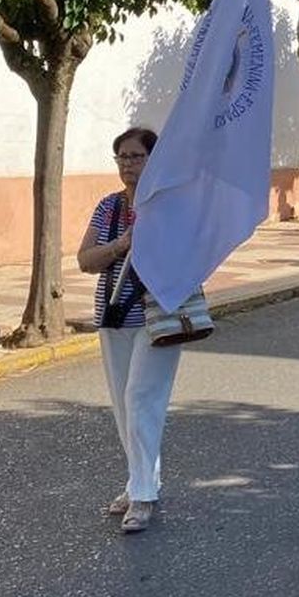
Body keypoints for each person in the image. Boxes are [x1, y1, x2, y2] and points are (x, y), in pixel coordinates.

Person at [75, 128, 179, 532]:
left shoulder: (168, 207)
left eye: (136, 157)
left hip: (158, 315)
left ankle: (143, 496)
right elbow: (86, 259)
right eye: (121, 157)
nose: (127, 165)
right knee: (124, 405)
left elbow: (186, 255)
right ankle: (140, 480)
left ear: (154, 161)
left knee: (140, 399)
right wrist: (121, 245)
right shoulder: (109, 208)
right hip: (115, 313)